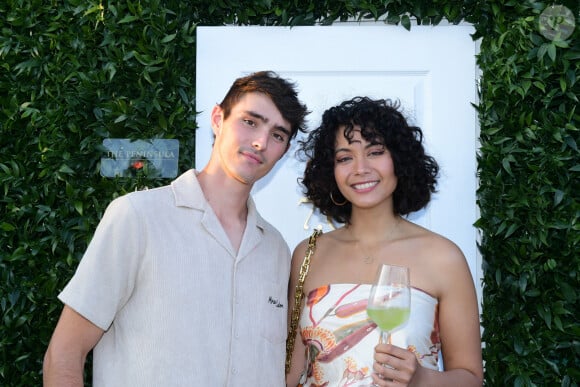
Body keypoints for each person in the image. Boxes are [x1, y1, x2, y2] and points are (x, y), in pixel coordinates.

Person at [43, 71, 309, 386]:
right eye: (250, 121)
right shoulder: (137, 217)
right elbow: (64, 355)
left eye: (278, 134)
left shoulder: (276, 249)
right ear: (217, 118)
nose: (260, 142)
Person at [286, 97, 483, 386]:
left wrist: (422, 379)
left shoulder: (443, 257)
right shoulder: (307, 254)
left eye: (375, 152)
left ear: (400, 161)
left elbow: (470, 378)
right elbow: (291, 374)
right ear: (331, 171)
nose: (360, 168)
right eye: (344, 157)